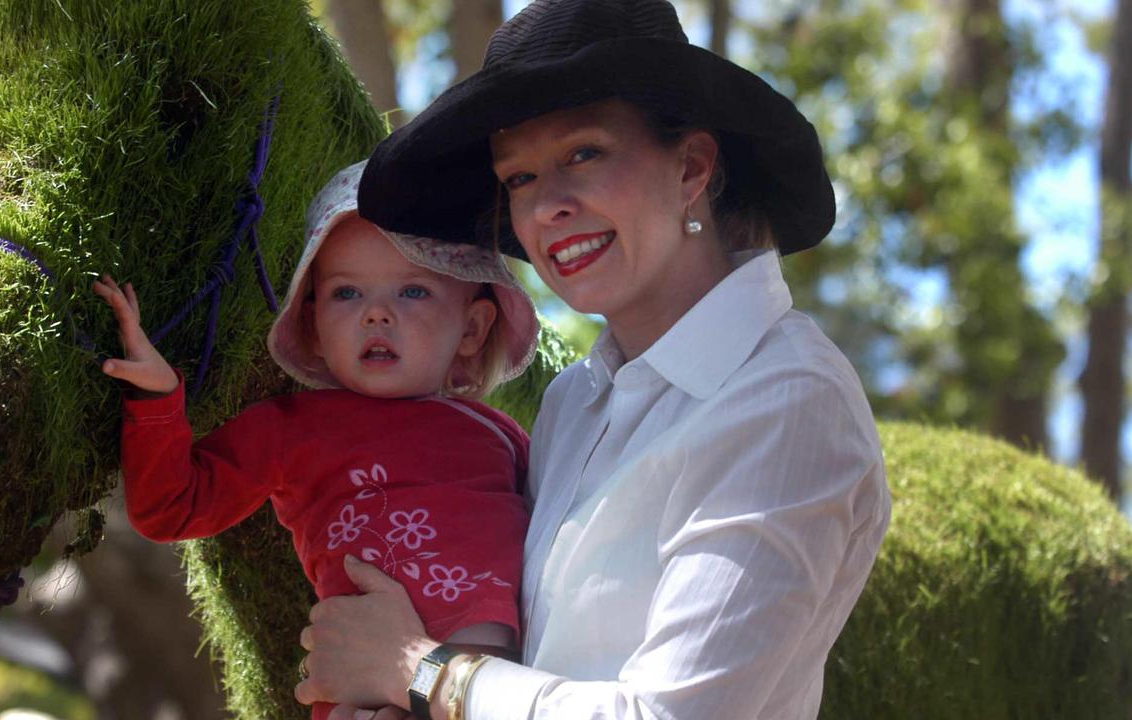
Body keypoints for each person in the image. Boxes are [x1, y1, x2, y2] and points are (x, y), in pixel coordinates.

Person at [294, 1, 892, 719]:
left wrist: (418, 670)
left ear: (692, 169)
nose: (547, 207)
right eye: (518, 180)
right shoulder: (573, 402)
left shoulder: (787, 399)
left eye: (583, 154)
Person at [93, 160, 541, 720]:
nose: (377, 314)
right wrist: (158, 399)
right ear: (313, 323)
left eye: (414, 291)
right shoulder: (292, 428)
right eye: (347, 293)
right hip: (363, 698)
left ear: (473, 328)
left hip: (497, 691)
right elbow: (170, 508)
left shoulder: (503, 438)